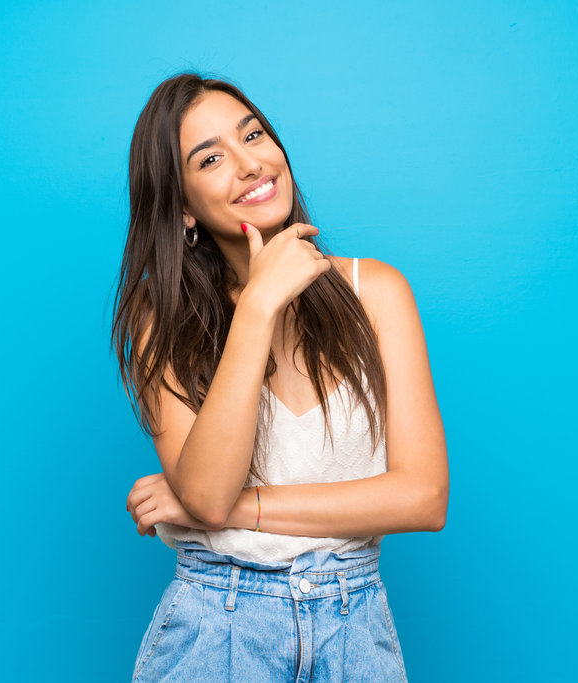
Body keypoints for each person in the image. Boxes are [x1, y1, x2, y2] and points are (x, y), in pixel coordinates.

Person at [114, 72, 449, 682]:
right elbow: (207, 494)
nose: (249, 164)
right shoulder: (159, 317)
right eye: (211, 158)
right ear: (182, 206)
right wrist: (258, 306)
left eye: (254, 134)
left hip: (356, 630)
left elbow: (422, 499)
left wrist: (228, 508)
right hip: (218, 629)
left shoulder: (375, 291)